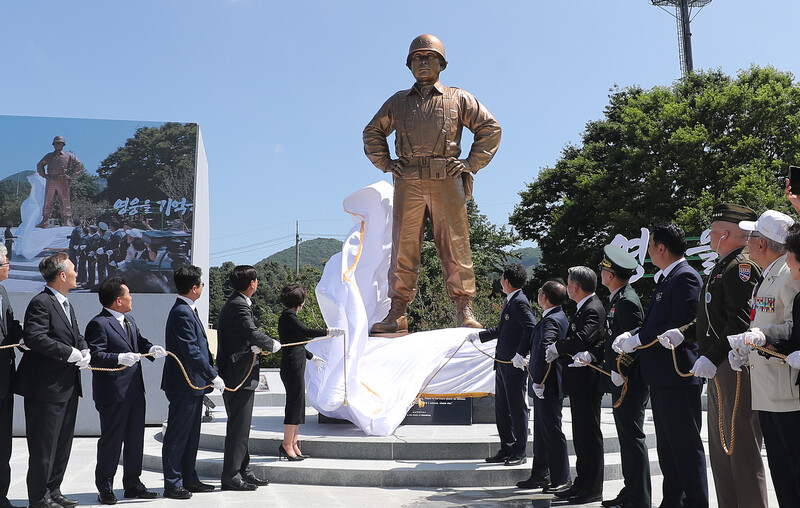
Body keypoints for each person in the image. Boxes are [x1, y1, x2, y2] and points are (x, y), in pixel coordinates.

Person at [363, 34, 502, 333]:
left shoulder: (458, 97)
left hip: (446, 177)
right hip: (408, 179)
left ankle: (464, 307)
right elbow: (373, 132)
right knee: (403, 246)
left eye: (429, 57)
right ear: (409, 64)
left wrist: (469, 163)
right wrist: (387, 163)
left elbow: (490, 128)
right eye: (417, 58)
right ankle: (397, 310)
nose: (423, 62)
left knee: (455, 244)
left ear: (442, 63)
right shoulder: (397, 102)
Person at [655, 204, 767, 508]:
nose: (710, 237)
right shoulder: (723, 265)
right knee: (722, 448)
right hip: (718, 365)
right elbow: (712, 319)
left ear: (726, 233)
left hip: (733, 364)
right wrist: (685, 332)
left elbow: (740, 322)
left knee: (740, 448)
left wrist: (712, 356)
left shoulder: (740, 267)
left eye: (714, 232)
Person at [613, 222, 707, 508]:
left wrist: (638, 338)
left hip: (677, 373)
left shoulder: (685, 277)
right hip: (663, 375)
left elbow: (680, 323)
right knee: (669, 449)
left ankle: (694, 503)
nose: (649, 250)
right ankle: (673, 502)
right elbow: (657, 323)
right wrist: (633, 335)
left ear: (661, 248)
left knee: (685, 448)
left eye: (651, 245)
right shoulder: (668, 278)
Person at [728, 211, 800, 507]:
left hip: (786, 389)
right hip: (768, 389)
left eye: (752, 236)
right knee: (781, 472)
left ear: (763, 243)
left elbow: (794, 329)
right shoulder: (770, 273)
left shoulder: (788, 274)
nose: (748, 241)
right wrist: (747, 349)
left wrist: (761, 334)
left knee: (793, 471)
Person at [15, 252, 90, 508]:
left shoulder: (66, 303)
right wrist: (69, 352)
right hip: (45, 388)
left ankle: (54, 490)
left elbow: (75, 335)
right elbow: (35, 337)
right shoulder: (41, 302)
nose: (76, 274)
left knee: (62, 444)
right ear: (62, 275)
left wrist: (84, 348)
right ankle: (38, 498)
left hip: (67, 386)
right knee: (43, 447)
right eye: (73, 270)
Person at [85, 277, 167, 504]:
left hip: (134, 391)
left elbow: (139, 342)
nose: (132, 298)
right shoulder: (98, 324)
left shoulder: (129, 320)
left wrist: (150, 349)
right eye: (128, 294)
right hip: (112, 393)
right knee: (111, 441)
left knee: (134, 440)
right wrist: (118, 358)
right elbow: (95, 355)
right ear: (118, 300)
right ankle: (105, 487)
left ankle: (132, 484)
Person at [160, 265, 224, 500]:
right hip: (183, 384)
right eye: (202, 284)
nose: (202, 288)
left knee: (191, 435)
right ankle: (173, 482)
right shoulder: (182, 312)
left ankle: (189, 478)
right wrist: (212, 375)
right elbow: (192, 351)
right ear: (194, 288)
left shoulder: (188, 309)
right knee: (177, 435)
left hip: (194, 385)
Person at [216, 266, 281, 490]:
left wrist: (253, 345)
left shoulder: (238, 302)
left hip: (239, 372)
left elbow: (243, 336)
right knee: (238, 427)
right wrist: (270, 343)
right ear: (252, 283)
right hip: (237, 375)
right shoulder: (238, 305)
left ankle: (244, 470)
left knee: (242, 427)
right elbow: (251, 332)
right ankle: (231, 476)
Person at [547, 266, 605, 504]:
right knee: (581, 437)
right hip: (579, 382)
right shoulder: (584, 307)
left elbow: (583, 338)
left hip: (587, 383)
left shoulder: (593, 308)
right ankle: (581, 483)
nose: (568, 287)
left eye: (569, 283)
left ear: (576, 287)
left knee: (589, 436)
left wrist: (557, 347)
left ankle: (592, 488)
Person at [597, 245, 649, 508]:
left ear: (611, 274)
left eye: (604, 269)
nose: (601, 273)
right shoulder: (618, 298)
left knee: (632, 438)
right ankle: (631, 492)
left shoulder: (627, 301)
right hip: (621, 379)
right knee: (626, 439)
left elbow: (635, 343)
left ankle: (639, 498)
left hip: (629, 381)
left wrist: (621, 371)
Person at [469, 263, 536, 467]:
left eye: (501, 278)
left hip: (513, 365)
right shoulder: (511, 300)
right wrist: (479, 336)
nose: (500, 282)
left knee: (516, 409)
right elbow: (502, 329)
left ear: (506, 281)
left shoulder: (520, 302)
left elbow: (531, 328)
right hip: (502, 364)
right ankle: (506, 447)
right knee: (502, 409)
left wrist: (521, 354)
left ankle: (520, 451)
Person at [516, 278, 571, 495]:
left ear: (544, 298)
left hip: (547, 385)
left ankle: (561, 478)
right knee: (542, 431)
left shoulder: (551, 321)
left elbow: (545, 352)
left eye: (540, 292)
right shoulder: (554, 316)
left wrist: (538, 381)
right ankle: (540, 474)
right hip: (546, 384)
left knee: (552, 432)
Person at [278, 283, 337, 460]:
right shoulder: (288, 316)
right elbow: (304, 333)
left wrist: (312, 357)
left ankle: (293, 442)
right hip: (291, 365)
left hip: (296, 362)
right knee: (293, 403)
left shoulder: (289, 316)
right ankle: (286, 444)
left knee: (298, 404)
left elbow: (297, 344)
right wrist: (328, 331)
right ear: (300, 301)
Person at [0, 246, 23, 508]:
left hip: (5, 381)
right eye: (6, 262)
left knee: (3, 443)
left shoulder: (3, 292)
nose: (9, 266)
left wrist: (23, 338)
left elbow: (11, 323)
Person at [36, 136, 84, 228]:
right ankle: (45, 220)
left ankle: (67, 220)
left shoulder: (69, 155)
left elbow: (79, 165)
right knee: (48, 200)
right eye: (56, 143)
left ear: (63, 144)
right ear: (53, 144)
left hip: (63, 179)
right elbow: (40, 165)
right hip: (51, 179)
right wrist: (44, 175)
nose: (58, 145)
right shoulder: (49, 156)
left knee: (65, 200)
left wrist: (71, 176)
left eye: (60, 143)